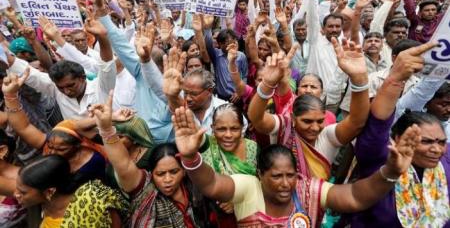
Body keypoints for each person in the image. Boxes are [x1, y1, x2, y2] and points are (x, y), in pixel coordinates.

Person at [171, 105, 421, 228]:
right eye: (276, 176)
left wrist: (390, 172)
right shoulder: (248, 188)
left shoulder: (308, 189)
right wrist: (191, 157)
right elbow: (212, 184)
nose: (285, 183)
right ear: (260, 174)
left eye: (290, 175)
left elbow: (355, 196)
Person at [343, 41, 450, 227]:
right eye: (425, 141)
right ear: (398, 139)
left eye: (441, 142)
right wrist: (396, 77)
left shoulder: (445, 162)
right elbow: (378, 122)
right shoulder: (381, 159)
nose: (436, 148)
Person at [249, 38, 369, 181]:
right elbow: (256, 118)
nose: (314, 127)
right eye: (306, 121)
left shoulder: (327, 136)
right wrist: (267, 84)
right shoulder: (283, 126)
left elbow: (357, 122)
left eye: (320, 121)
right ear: (292, 119)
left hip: (316, 200)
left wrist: (359, 80)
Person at [89, 93, 210, 228]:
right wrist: (106, 130)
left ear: (184, 171)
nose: (168, 179)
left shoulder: (198, 187)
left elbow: (203, 147)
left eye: (174, 171)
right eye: (160, 174)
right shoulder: (146, 191)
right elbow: (124, 166)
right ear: (151, 173)